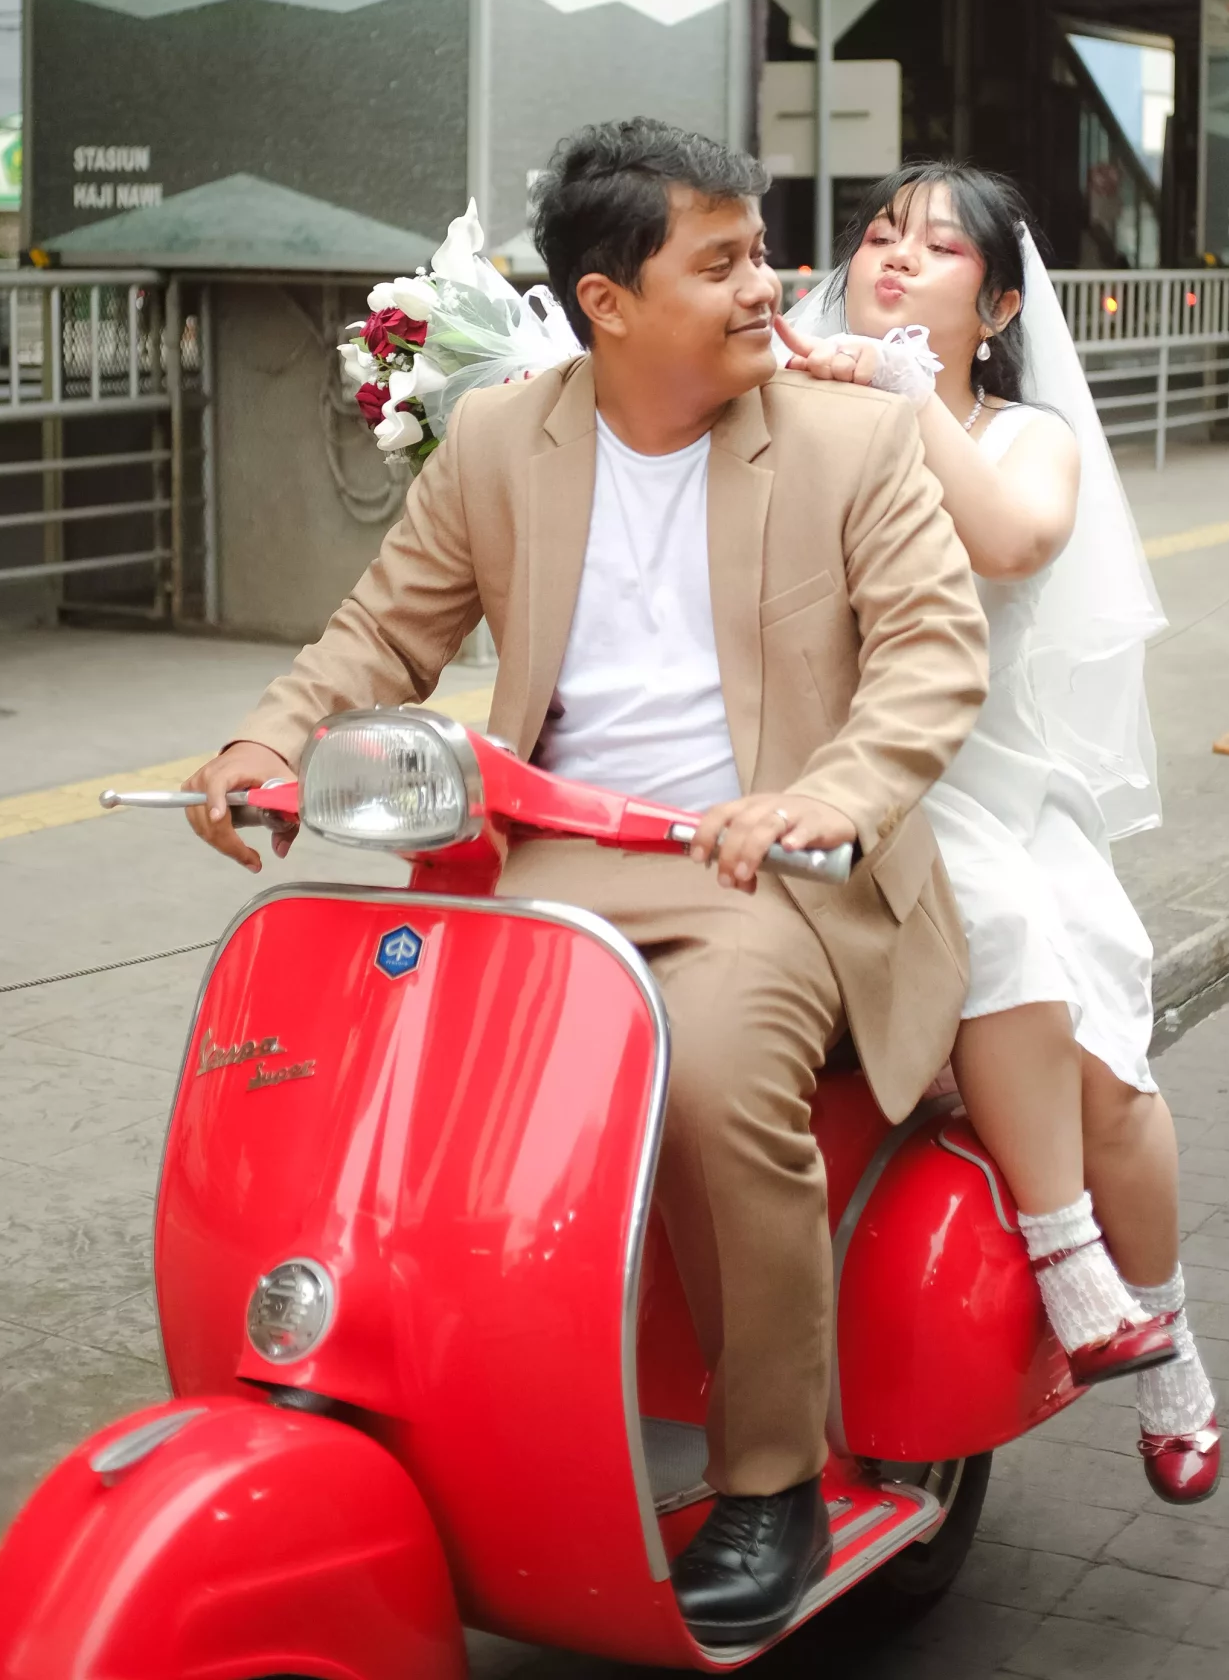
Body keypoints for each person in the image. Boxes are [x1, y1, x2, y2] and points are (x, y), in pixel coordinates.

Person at [183, 118, 992, 1649]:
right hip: (549, 866)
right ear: (606, 303)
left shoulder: (850, 441)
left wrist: (830, 793)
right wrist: (264, 741)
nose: (767, 288)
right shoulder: (502, 440)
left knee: (710, 1083)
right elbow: (383, 630)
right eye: (722, 262)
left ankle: (768, 1479)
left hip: (769, 877)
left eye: (761, 253)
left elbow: (930, 657)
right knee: (366, 1073)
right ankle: (417, 1387)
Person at [778, 161, 1220, 1505]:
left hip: (998, 786)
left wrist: (903, 396)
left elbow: (1016, 542)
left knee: (1108, 1081)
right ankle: (1068, 1270)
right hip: (844, 782)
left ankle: (1168, 1345)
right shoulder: (788, 406)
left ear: (1002, 305)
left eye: (938, 247)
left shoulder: (1031, 438)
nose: (895, 258)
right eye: (877, 235)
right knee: (1003, 943)